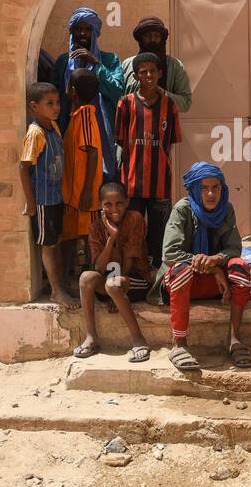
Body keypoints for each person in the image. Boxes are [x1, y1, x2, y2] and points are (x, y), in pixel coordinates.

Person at [153, 162, 251, 371]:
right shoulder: (182, 209)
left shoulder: (227, 209)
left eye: (215, 187)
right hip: (183, 284)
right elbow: (170, 253)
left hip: (215, 286)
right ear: (194, 190)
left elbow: (234, 248)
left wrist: (216, 260)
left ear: (222, 189)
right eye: (204, 188)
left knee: (240, 267)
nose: (210, 193)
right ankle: (179, 344)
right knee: (181, 270)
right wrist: (214, 268)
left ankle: (234, 338)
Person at [113, 51, 182, 269]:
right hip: (132, 184)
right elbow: (122, 144)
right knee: (131, 233)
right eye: (144, 72)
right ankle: (131, 275)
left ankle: (156, 277)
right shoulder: (125, 104)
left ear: (160, 73)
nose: (149, 75)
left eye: (153, 71)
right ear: (136, 76)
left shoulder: (169, 106)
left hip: (160, 184)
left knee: (159, 235)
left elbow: (169, 144)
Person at [74, 182, 154, 362]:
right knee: (86, 277)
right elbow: (99, 268)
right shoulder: (95, 227)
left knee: (113, 283)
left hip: (135, 281)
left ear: (127, 202)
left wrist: (115, 292)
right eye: (108, 205)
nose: (114, 209)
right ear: (101, 206)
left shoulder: (135, 218)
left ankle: (139, 339)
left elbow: (130, 259)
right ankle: (91, 337)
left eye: (119, 203)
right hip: (110, 283)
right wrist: (112, 238)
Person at [45, 8, 124, 180]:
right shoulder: (63, 62)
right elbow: (53, 98)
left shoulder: (109, 60)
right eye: (78, 29)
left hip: (100, 129)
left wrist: (96, 64)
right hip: (69, 129)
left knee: (102, 177)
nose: (83, 34)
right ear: (72, 32)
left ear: (95, 32)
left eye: (88, 29)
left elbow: (117, 91)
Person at [19, 82, 74, 307]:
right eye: (49, 103)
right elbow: (24, 167)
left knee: (57, 242)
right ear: (34, 106)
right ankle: (55, 291)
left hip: (56, 197)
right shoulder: (35, 133)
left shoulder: (54, 128)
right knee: (48, 246)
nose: (56, 108)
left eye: (57, 103)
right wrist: (31, 202)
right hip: (42, 200)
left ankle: (60, 284)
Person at [61, 68, 105, 275]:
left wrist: (88, 190)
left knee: (89, 240)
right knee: (70, 237)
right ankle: (70, 277)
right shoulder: (76, 115)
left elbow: (93, 153)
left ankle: (92, 280)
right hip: (72, 193)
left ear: (72, 89)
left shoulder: (86, 115)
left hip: (83, 194)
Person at [120, 17, 192, 113]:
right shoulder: (127, 65)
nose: (152, 40)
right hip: (133, 125)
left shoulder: (175, 66)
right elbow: (118, 100)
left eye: (156, 36)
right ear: (141, 39)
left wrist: (160, 92)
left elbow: (185, 103)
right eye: (148, 36)